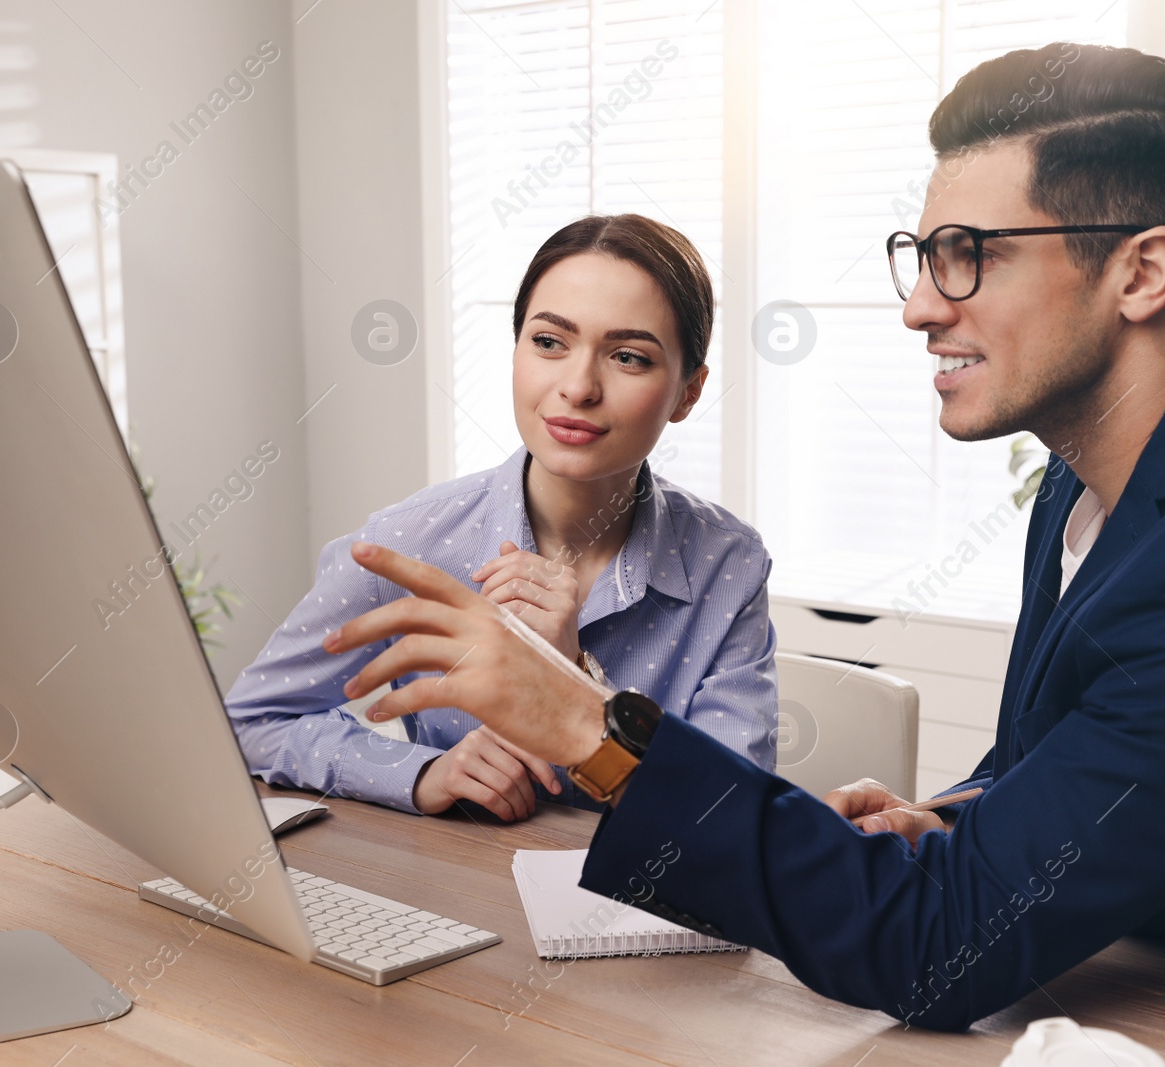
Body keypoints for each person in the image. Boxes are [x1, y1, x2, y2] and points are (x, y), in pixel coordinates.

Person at [321, 43, 1165, 1028]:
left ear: (1142, 274)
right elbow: (1063, 746)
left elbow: (936, 951)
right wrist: (957, 815)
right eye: (920, 255)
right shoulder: (1101, 468)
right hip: (1136, 973)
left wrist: (583, 719)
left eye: (967, 255)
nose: (921, 305)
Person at [226, 213, 777, 823]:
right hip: (457, 901)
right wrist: (418, 772)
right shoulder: (410, 542)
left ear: (687, 393)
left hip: (644, 911)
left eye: (627, 356)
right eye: (549, 342)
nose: (577, 386)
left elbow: (735, 817)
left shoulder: (728, 562)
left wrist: (578, 684)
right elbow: (254, 719)